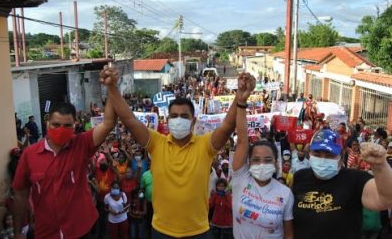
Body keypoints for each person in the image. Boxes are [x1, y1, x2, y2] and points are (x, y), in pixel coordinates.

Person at [105, 65, 256, 238]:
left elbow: (228, 125)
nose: (178, 120)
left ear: (193, 121)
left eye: (184, 116)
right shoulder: (156, 142)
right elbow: (129, 119)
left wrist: (240, 96)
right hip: (161, 231)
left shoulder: (205, 145)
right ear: (168, 120)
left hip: (198, 232)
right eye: (174, 116)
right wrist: (112, 87)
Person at [12, 68, 119, 239]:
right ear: (47, 124)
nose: (61, 130)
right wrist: (17, 231)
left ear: (75, 125)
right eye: (56, 125)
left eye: (67, 126)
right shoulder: (29, 155)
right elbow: (20, 194)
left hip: (80, 229)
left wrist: (111, 87)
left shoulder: (82, 144)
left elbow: (109, 122)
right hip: (47, 232)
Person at [292, 129, 392, 239]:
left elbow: (385, 200)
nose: (323, 159)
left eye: (329, 154)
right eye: (317, 153)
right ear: (310, 153)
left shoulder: (356, 179)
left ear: (341, 156)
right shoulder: (299, 177)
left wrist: (380, 166)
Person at [231, 77, 294, 239]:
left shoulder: (285, 193)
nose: (261, 164)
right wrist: (241, 101)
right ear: (248, 162)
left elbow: (288, 234)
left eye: (267, 160)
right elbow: (243, 140)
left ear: (276, 162)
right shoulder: (241, 178)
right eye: (256, 160)